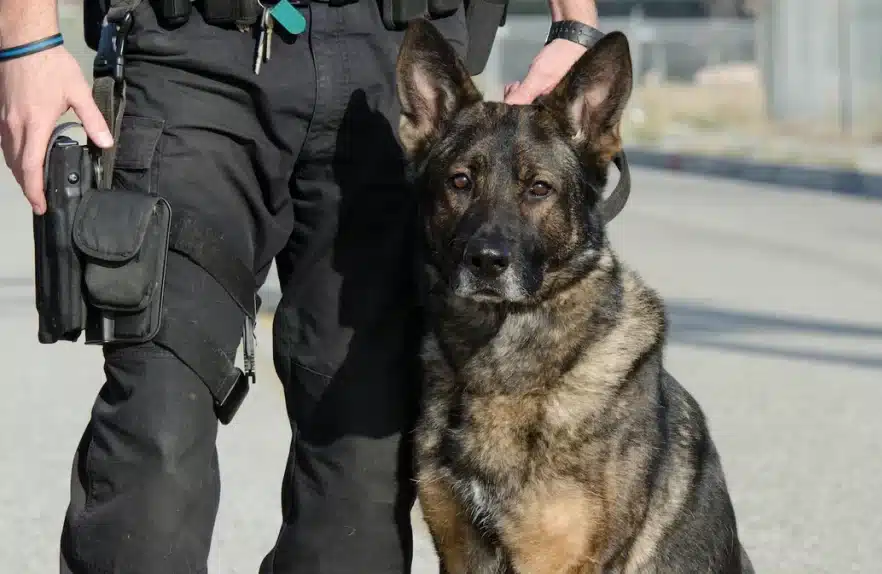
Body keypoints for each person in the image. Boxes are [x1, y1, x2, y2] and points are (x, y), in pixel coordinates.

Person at [0, 0, 605, 572]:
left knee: (361, 467)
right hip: (195, 59)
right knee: (155, 422)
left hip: (397, 52)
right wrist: (26, 38)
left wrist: (575, 24)